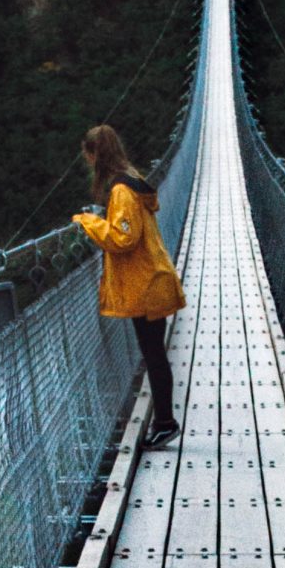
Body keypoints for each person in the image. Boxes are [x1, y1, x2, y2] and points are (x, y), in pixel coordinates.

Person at [72, 123, 185, 449]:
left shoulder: (121, 191)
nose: (88, 163)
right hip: (152, 277)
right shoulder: (133, 179)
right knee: (155, 354)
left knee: (154, 355)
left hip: (146, 282)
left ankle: (165, 423)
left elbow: (123, 237)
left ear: (95, 154)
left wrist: (88, 221)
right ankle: (164, 421)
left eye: (88, 156)